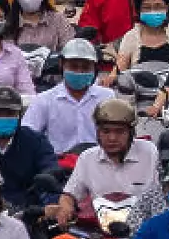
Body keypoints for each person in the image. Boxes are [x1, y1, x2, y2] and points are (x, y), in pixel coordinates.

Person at [56, 97, 159, 227]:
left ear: (131, 133)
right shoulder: (87, 158)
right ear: (97, 132)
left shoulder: (149, 152)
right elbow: (69, 195)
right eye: (106, 131)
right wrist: (66, 208)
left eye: (119, 132)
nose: (112, 138)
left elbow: (164, 194)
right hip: (100, 231)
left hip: (144, 230)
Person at [21, 37, 114, 154]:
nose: (79, 72)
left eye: (86, 67)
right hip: (59, 164)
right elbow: (26, 137)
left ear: (94, 68)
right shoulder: (44, 100)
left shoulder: (106, 98)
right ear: (61, 64)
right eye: (74, 66)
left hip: (98, 162)